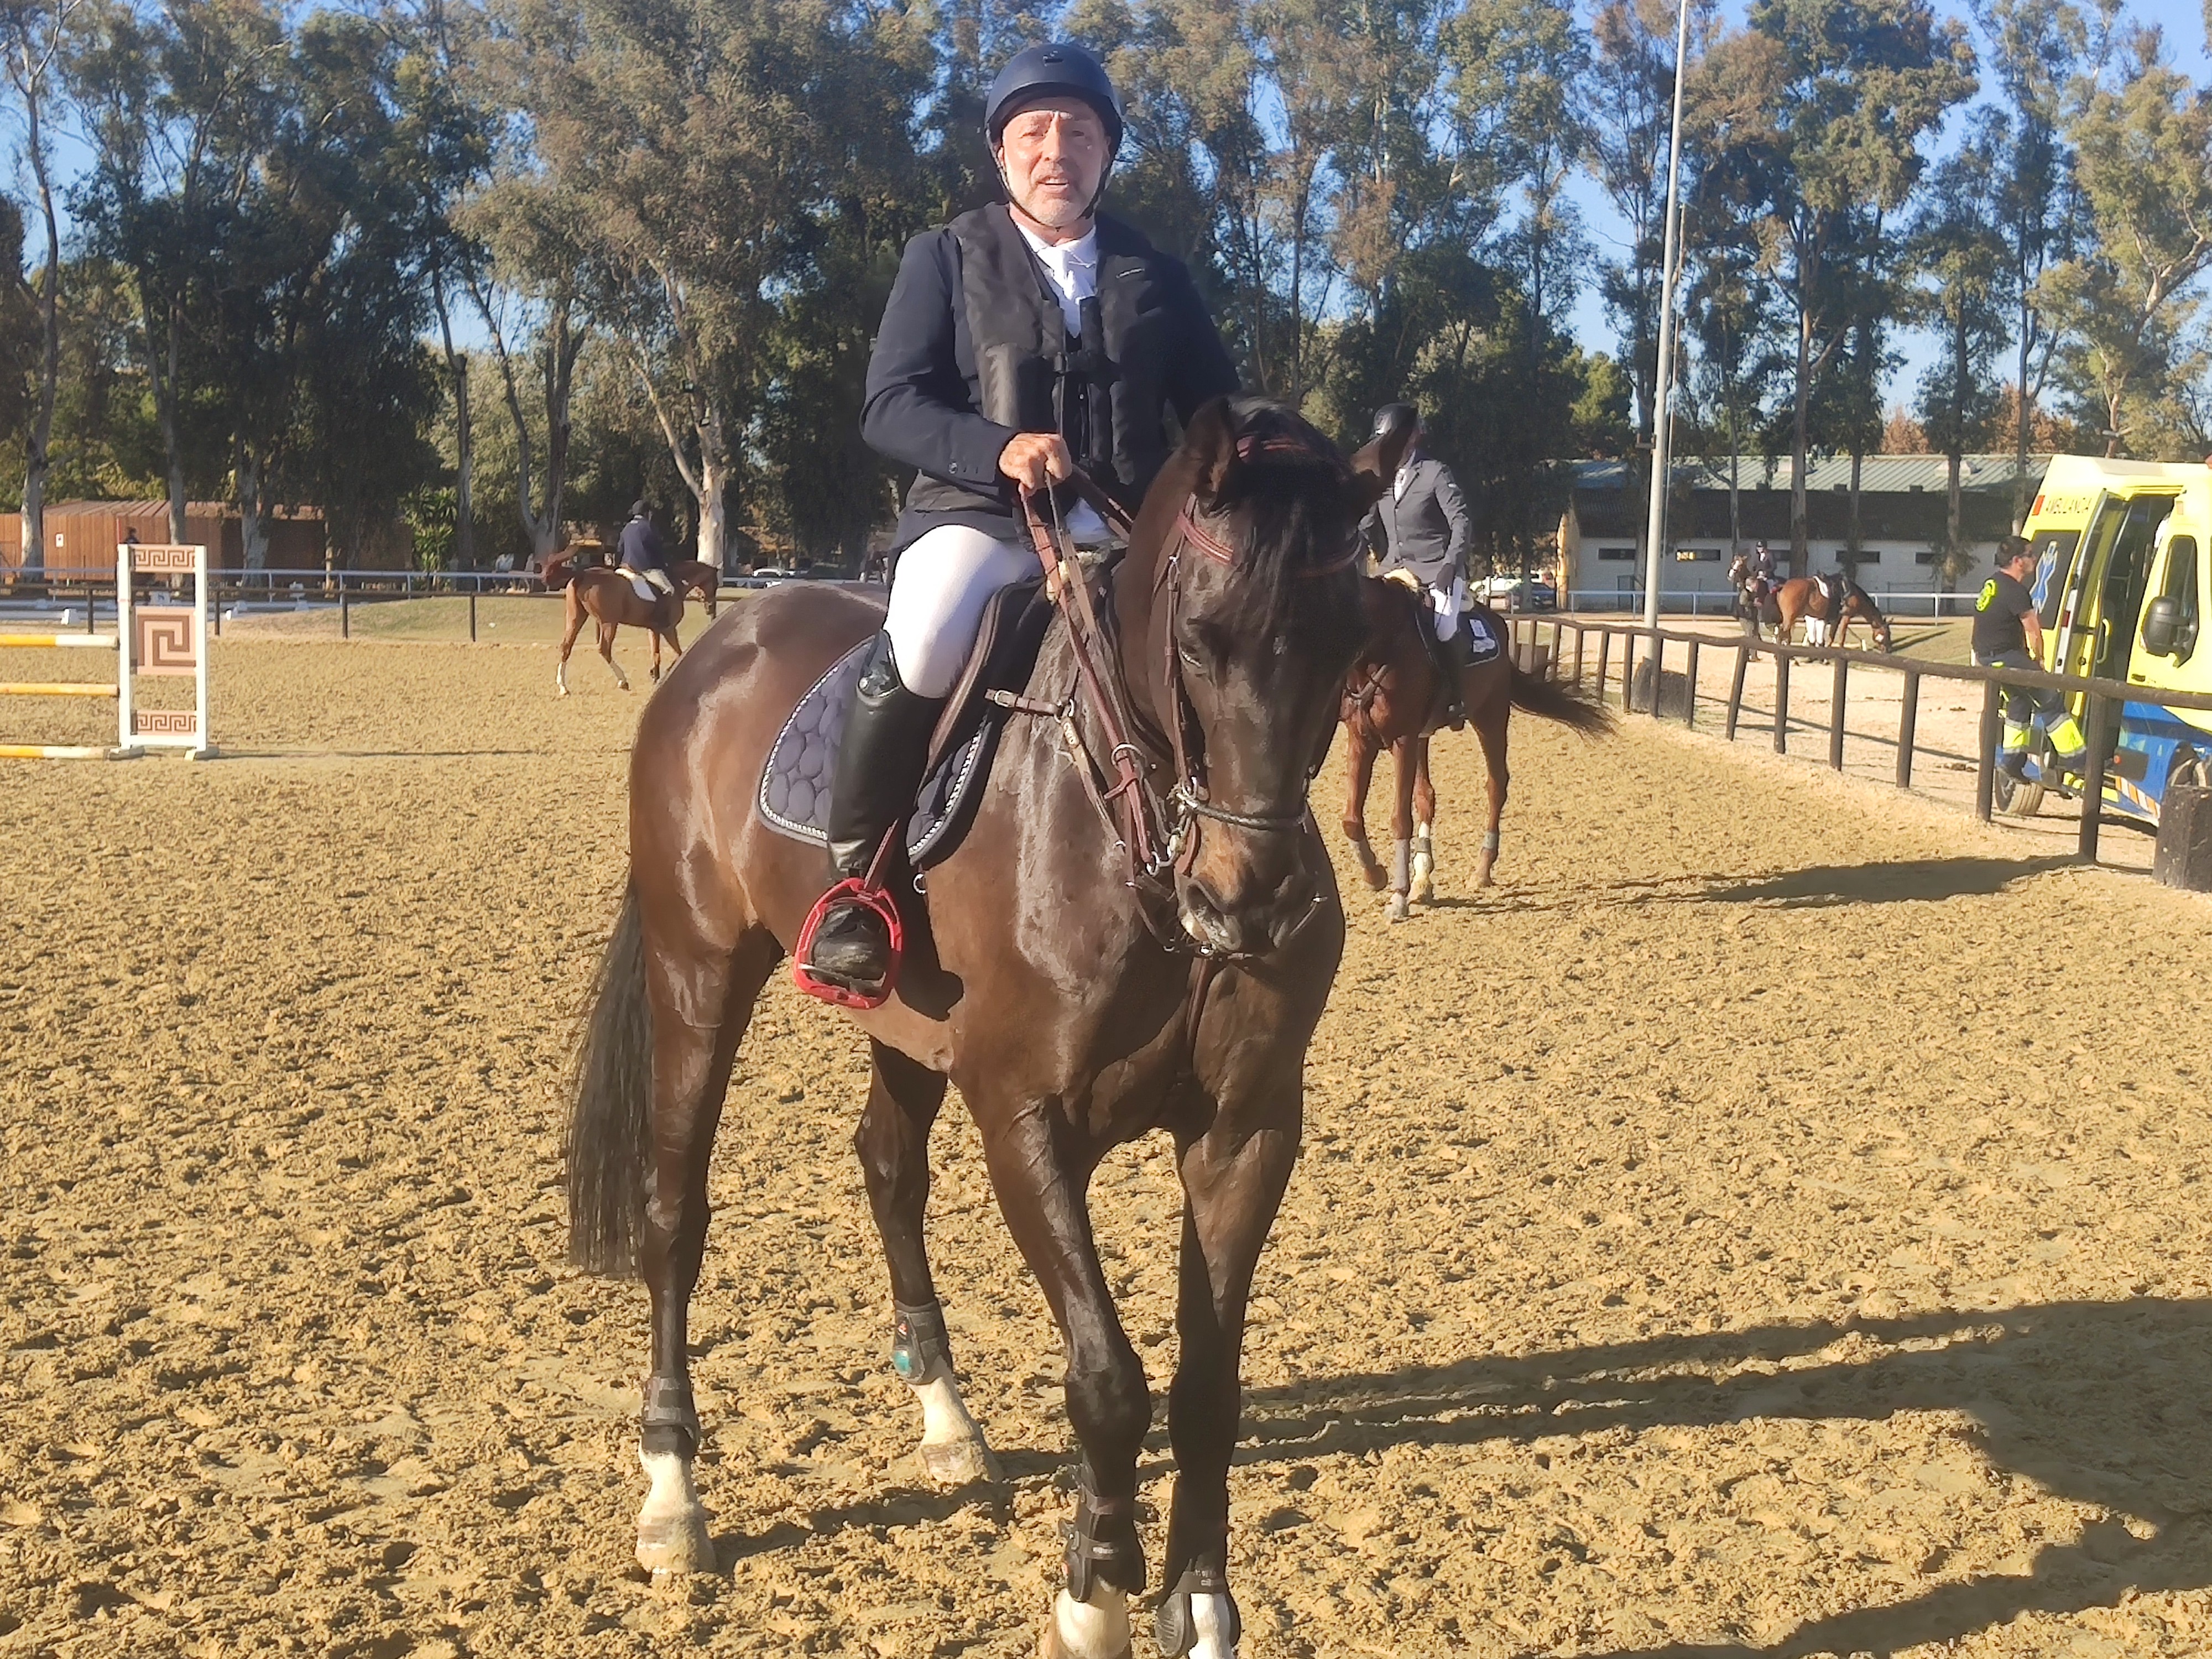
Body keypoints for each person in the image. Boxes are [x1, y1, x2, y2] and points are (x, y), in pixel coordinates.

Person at [797, 40, 1241, 997]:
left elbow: (1218, 416)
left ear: (1106, 153)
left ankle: (1239, 853)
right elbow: (889, 405)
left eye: (1078, 131)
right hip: (979, 523)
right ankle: (855, 887)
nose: (1056, 148)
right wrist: (992, 448)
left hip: (1124, 529)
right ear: (1003, 155)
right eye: (1034, 131)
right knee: (923, 639)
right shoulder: (947, 256)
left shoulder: (1156, 277)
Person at [1360, 403, 1477, 727]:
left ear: (1412, 438)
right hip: (1392, 571)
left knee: (1444, 625)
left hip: (1435, 571)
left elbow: (1461, 522)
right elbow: (1366, 523)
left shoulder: (1435, 473)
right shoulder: (1380, 478)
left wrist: (1450, 565)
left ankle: (1455, 698)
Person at [1973, 534, 2085, 780]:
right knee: (2049, 698)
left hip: (1987, 657)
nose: (2035, 559)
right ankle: (2076, 758)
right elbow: (2033, 630)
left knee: (2019, 702)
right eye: (2030, 555)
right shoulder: (2015, 591)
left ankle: (2012, 761)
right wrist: (2040, 661)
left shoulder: (1993, 583)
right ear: (2017, 561)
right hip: (2006, 656)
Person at [617, 502, 673, 598]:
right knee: (669, 590)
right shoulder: (649, 527)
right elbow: (657, 550)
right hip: (645, 569)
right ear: (647, 513)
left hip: (625, 566)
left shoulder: (626, 528)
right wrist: (664, 566)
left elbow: (620, 549)